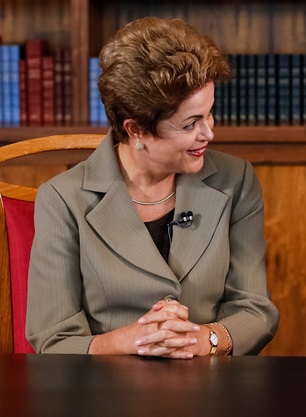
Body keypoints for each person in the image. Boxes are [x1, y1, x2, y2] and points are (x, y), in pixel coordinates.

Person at [26, 17, 279, 358]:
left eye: (209, 114)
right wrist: (132, 341)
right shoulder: (62, 199)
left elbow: (256, 311)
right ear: (136, 130)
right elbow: (52, 339)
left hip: (211, 388)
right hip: (106, 395)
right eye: (191, 123)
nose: (208, 133)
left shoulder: (236, 180)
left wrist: (205, 338)